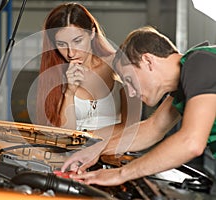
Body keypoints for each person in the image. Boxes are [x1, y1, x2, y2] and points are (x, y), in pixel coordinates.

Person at [61, 26, 216, 186]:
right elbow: (153, 128)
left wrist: (121, 174)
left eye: (128, 79)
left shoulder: (200, 63)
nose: (131, 93)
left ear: (148, 61)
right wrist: (96, 149)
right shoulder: (185, 83)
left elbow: (190, 142)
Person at [36, 2, 127, 132]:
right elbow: (64, 135)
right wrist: (69, 92)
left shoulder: (116, 65)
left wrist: (91, 137)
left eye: (77, 41)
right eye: (61, 44)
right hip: (73, 151)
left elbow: (130, 127)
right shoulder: (54, 75)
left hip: (114, 149)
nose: (71, 53)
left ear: (92, 33)